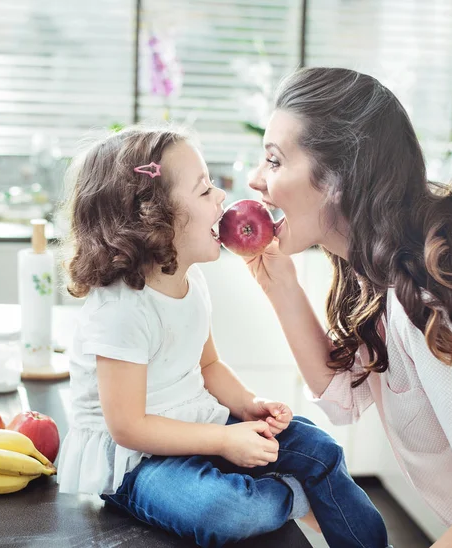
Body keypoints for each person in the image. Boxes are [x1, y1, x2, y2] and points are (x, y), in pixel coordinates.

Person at [56, 126, 390, 548]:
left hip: (195, 423)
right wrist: (223, 440)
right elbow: (128, 427)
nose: (221, 199)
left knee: (319, 448)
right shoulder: (122, 310)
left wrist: (248, 406)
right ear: (151, 217)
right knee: (230, 510)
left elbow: (208, 365)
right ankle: (299, 496)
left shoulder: (190, 281)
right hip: (138, 461)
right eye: (204, 190)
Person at [246, 66, 452, 548]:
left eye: (275, 162)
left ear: (341, 177)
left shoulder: (435, 290)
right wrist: (282, 288)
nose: (256, 180)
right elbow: (345, 394)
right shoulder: (390, 258)